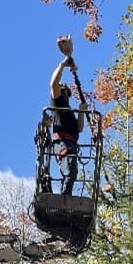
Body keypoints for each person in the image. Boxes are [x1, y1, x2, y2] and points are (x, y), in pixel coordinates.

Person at [50, 54, 87, 196]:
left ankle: (66, 196)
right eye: (65, 91)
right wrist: (62, 65)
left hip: (71, 143)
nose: (66, 94)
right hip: (63, 143)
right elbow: (53, 84)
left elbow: (79, 128)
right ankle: (65, 198)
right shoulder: (57, 103)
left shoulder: (68, 110)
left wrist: (81, 111)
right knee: (70, 169)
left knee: (72, 171)